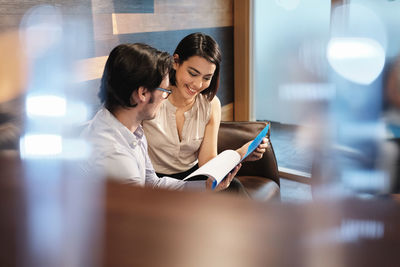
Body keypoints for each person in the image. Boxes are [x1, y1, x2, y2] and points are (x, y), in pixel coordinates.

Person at [81, 43, 239, 191]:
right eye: (164, 90)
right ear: (142, 93)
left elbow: (153, 183)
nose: (165, 97)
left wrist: (206, 186)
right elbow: (139, 214)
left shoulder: (131, 130)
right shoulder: (115, 154)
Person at [142, 33, 267, 193]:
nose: (198, 84)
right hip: (157, 180)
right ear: (176, 62)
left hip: (194, 175)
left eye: (207, 78)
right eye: (193, 73)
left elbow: (207, 162)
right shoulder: (155, 98)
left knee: (234, 188)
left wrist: (242, 154)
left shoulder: (211, 104)